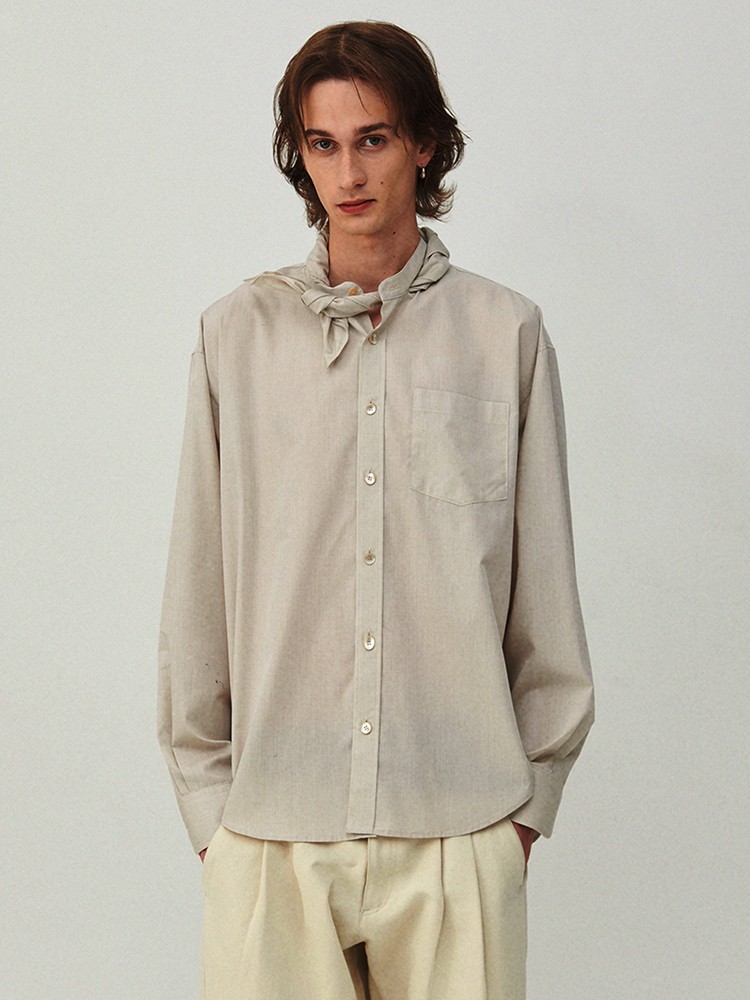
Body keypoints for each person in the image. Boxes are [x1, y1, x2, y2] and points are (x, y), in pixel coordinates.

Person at [158, 20, 594, 1000]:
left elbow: (545, 593)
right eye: (322, 144)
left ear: (425, 143)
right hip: (272, 831)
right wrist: (212, 816)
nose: (347, 173)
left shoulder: (505, 333)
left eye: (374, 139)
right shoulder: (235, 336)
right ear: (300, 155)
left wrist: (524, 813)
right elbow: (196, 586)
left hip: (460, 826)